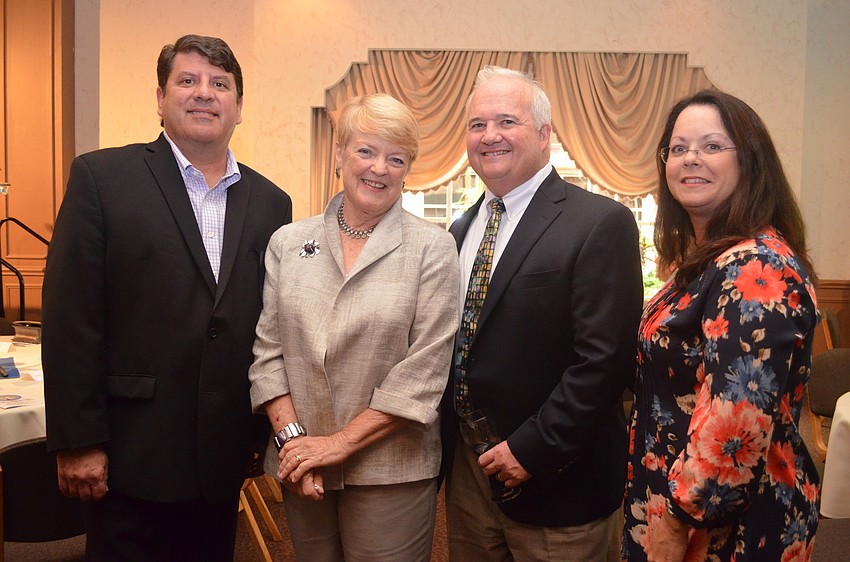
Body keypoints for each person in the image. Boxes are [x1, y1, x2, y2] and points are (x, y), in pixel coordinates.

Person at [41, 34, 292, 560]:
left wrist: (255, 434)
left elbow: (265, 325)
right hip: (128, 456)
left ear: (239, 107)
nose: (204, 93)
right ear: (160, 98)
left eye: (219, 84)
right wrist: (78, 439)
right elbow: (71, 320)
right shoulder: (103, 179)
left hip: (220, 461)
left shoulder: (273, 203)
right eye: (188, 80)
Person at [442, 66, 644, 561]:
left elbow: (604, 361)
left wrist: (531, 450)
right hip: (469, 475)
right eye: (477, 124)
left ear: (544, 134)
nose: (489, 136)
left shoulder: (599, 222)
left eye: (507, 121)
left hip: (559, 480)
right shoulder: (460, 229)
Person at [248, 93, 460, 561]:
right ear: (339, 154)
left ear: (408, 170)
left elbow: (422, 375)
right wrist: (296, 445)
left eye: (396, 158)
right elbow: (267, 354)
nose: (379, 168)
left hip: (392, 471)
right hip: (302, 470)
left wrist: (336, 445)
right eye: (366, 151)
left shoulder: (432, 249)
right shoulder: (288, 242)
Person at [622, 90, 820, 561]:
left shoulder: (755, 265)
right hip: (683, 504)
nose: (691, 158)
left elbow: (737, 420)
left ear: (750, 162)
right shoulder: (710, 259)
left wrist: (676, 523)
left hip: (721, 527)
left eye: (712, 146)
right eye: (678, 148)